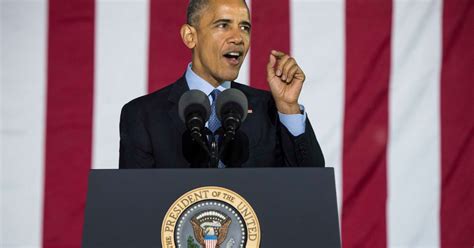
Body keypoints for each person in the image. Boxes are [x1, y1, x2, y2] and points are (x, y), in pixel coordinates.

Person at [119, 0, 324, 168]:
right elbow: (136, 203)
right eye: (223, 25)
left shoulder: (270, 108)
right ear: (190, 36)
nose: (238, 38)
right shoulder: (142, 115)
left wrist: (288, 108)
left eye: (245, 27)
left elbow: (311, 187)